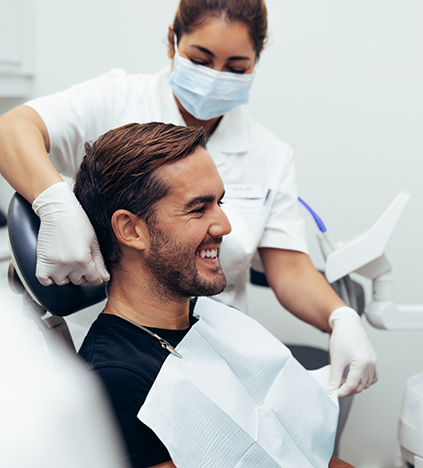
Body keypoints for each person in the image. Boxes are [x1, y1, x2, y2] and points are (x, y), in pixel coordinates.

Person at [0, 0, 376, 399]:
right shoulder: (119, 99)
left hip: (217, 353)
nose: (216, 76)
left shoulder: (269, 153)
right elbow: (11, 129)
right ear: (172, 42)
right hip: (122, 355)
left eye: (235, 68)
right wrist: (55, 202)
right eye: (201, 58)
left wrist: (342, 317)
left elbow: (289, 269)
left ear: (255, 63)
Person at [75, 121, 352, 468]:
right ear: (132, 229)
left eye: (219, 202)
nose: (224, 226)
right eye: (198, 208)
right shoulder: (115, 378)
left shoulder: (211, 321)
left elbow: (309, 451)